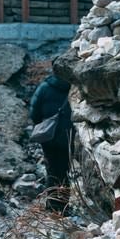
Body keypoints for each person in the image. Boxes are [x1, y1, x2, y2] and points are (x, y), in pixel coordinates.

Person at [29, 72, 73, 212]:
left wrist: (44, 124)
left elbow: (34, 113)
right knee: (66, 170)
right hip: (69, 137)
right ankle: (63, 206)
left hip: (49, 137)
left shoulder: (45, 87)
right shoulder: (74, 88)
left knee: (52, 170)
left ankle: (53, 206)